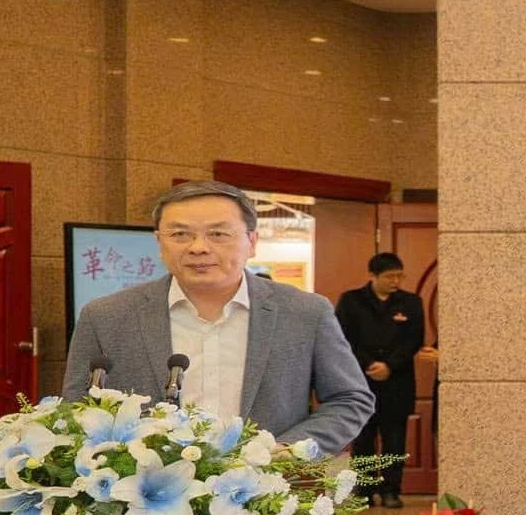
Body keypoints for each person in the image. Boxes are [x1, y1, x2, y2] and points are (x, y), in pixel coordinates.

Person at [62, 180, 373, 458]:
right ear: (159, 242)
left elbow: (350, 399)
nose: (198, 247)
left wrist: (290, 450)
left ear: (252, 242)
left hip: (269, 493)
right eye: (180, 234)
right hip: (144, 495)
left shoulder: (305, 312)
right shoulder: (106, 316)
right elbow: (77, 407)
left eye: (218, 234)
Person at [334, 251, 426, 507]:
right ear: (373, 276)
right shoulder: (351, 301)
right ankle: (364, 490)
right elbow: (342, 337)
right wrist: (368, 364)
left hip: (397, 382)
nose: (395, 281)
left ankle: (391, 490)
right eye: (389, 276)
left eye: (399, 276)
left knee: (395, 441)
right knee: (363, 439)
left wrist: (389, 365)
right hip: (361, 381)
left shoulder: (411, 302)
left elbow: (414, 340)